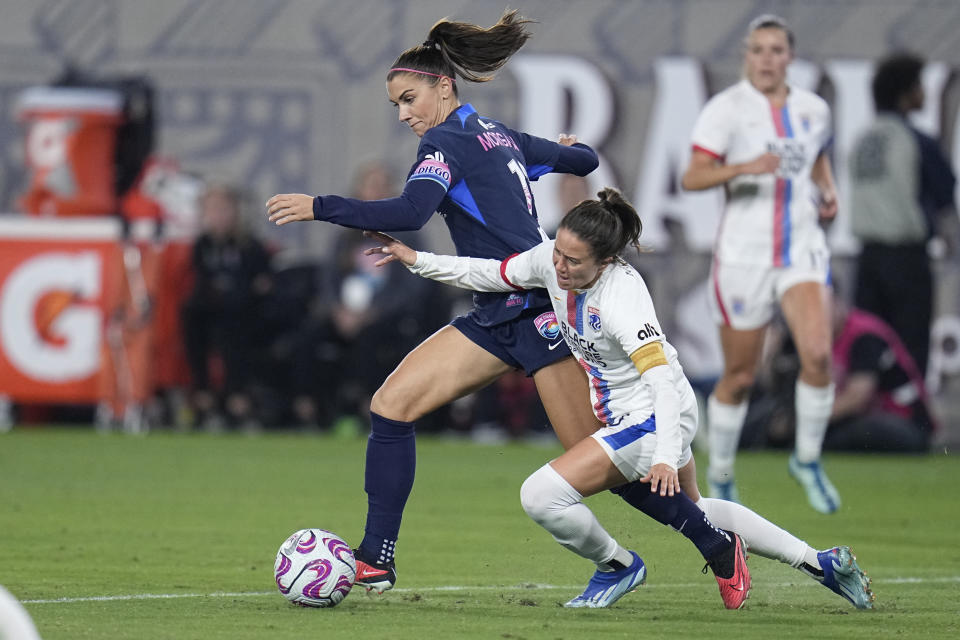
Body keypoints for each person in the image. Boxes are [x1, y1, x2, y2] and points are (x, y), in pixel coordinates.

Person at [367, 187, 874, 610]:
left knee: (541, 496)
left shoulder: (622, 299)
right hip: (631, 414)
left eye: (574, 261)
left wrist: (663, 457)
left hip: (658, 414)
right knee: (698, 508)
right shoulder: (551, 259)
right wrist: (417, 260)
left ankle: (618, 565)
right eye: (558, 253)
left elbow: (660, 382)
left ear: (606, 260)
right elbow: (490, 275)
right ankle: (820, 562)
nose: (559, 267)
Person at [265, 10, 610, 593]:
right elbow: (585, 161)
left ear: (443, 85)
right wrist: (569, 151)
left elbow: (409, 213)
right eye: (396, 105)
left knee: (595, 459)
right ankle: (376, 556)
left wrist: (320, 205)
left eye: (408, 99)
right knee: (391, 406)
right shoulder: (498, 136)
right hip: (494, 313)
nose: (404, 115)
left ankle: (707, 540)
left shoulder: (447, 142)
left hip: (535, 312)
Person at [680, 15, 842, 513]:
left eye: (776, 50)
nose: (766, 59)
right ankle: (723, 474)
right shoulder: (725, 111)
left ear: (789, 57)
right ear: (746, 56)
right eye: (757, 51)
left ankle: (807, 459)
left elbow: (815, 157)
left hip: (801, 251)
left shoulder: (814, 110)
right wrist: (744, 167)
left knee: (816, 354)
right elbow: (692, 177)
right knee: (742, 376)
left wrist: (827, 189)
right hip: (744, 256)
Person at [849, 52, 957, 378]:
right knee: (910, 349)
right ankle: (911, 422)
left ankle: (871, 419)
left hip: (868, 259)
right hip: (906, 260)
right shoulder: (915, 140)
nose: (924, 94)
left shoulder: (862, 139)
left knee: (868, 345)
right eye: (919, 86)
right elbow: (945, 197)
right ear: (905, 93)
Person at [181, 184, 272, 431]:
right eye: (212, 209)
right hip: (212, 312)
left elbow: (260, 285)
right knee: (191, 317)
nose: (218, 216)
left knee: (235, 324)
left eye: (223, 209)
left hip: (245, 315)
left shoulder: (249, 246)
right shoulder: (202, 246)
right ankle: (202, 394)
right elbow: (202, 284)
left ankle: (237, 397)